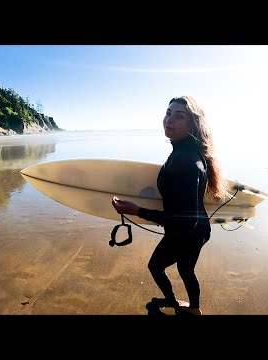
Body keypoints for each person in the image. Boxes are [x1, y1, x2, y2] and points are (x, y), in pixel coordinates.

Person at [111, 95, 229, 315]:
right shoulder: (186, 151)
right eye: (168, 113)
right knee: (186, 269)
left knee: (155, 266)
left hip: (187, 232)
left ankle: (175, 303)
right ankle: (194, 310)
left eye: (179, 116)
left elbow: (186, 219)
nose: (169, 119)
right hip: (200, 230)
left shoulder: (186, 160)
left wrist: (137, 211)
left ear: (193, 124)